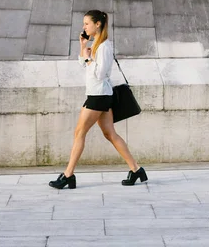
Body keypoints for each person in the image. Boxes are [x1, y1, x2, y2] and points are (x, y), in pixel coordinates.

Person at [49, 10, 148, 189]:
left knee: (79, 133)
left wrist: (88, 58)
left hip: (98, 95)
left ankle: (68, 175)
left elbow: (100, 74)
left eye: (87, 23)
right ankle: (136, 170)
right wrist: (83, 47)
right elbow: (84, 64)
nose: (84, 27)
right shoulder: (97, 45)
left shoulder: (104, 47)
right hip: (99, 94)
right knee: (110, 134)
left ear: (98, 24)